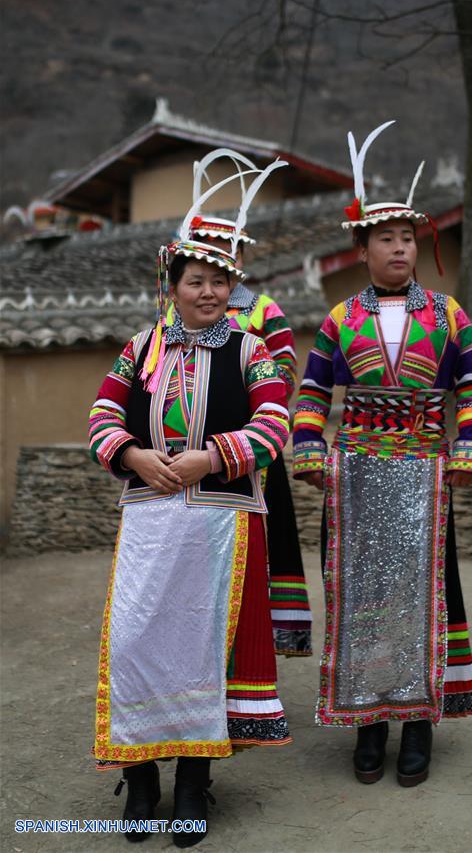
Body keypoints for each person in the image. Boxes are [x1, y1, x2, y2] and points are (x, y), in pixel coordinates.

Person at [88, 158, 291, 846]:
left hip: (221, 520)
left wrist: (213, 455)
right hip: (149, 516)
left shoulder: (251, 349)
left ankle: (195, 782)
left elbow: (275, 425)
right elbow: (101, 417)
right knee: (140, 638)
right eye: (196, 281)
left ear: (234, 286)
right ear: (171, 285)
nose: (209, 292)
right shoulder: (139, 348)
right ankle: (141, 773)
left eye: (220, 280)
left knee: (208, 649)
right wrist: (132, 455)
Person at [293, 121, 472, 787]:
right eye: (387, 238)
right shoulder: (339, 320)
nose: (400, 247)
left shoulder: (449, 314)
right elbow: (313, 392)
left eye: (408, 238)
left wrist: (470, 444)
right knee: (364, 598)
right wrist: (310, 450)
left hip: (422, 475)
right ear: (364, 248)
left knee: (424, 595)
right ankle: (368, 723)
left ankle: (418, 726)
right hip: (354, 478)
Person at [171, 149, 312, 657]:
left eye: (224, 250)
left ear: (238, 261)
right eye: (205, 248)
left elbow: (283, 377)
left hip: (249, 457)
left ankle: (252, 652)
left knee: (254, 553)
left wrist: (239, 433)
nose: (214, 257)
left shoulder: (264, 313)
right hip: (180, 460)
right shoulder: (170, 319)